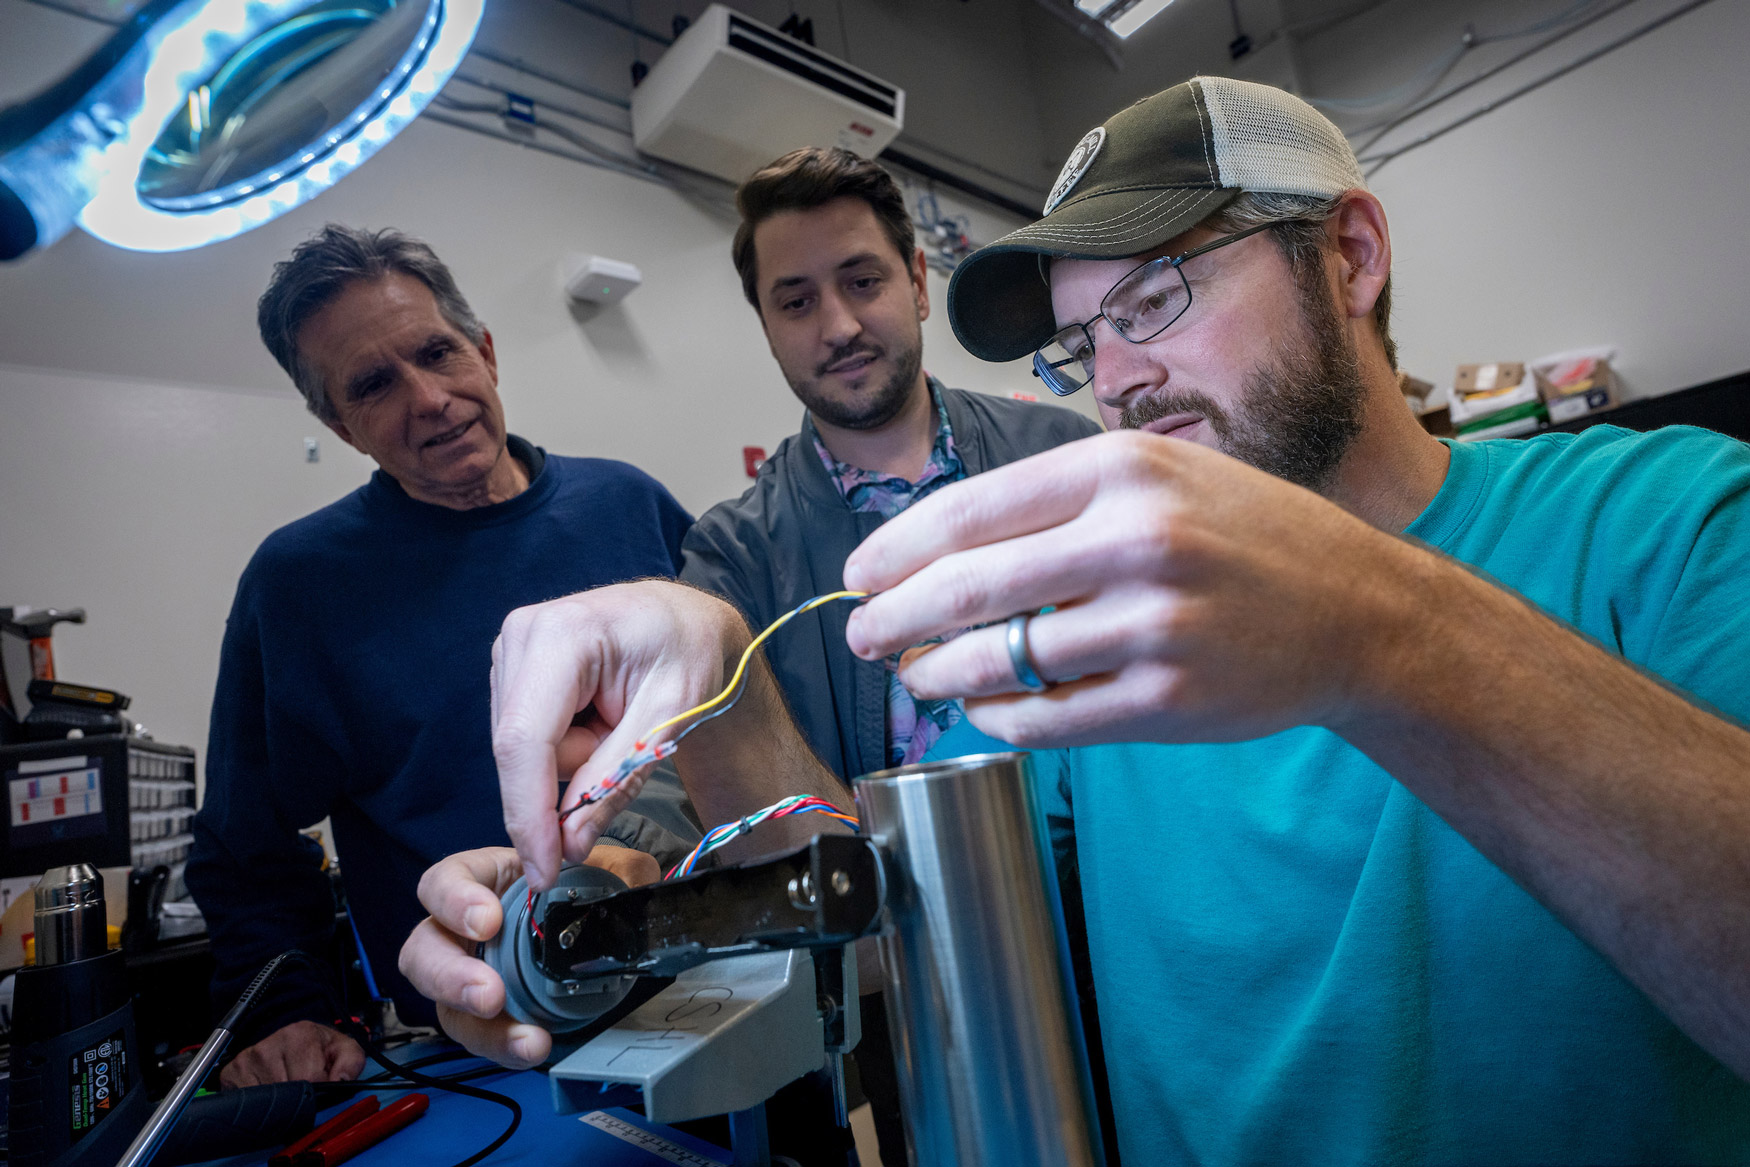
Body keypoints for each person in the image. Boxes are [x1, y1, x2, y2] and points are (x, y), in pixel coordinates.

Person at [402, 77, 1750, 1164]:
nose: (1120, 381)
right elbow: (899, 919)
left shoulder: (1668, 515)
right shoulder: (1079, 636)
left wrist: (1374, 631)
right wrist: (669, 783)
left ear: (1346, 255)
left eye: (1155, 296)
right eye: (1080, 342)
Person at [186, 225, 697, 1090]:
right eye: (375, 384)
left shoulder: (630, 503)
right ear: (337, 425)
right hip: (485, 1052)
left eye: (437, 352)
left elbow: (743, 711)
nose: (428, 398)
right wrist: (288, 1010)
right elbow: (246, 850)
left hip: (705, 990)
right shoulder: (299, 586)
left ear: (486, 353)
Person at [676, 146, 1098, 1160]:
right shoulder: (732, 551)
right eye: (796, 301)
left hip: (1108, 929)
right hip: (899, 969)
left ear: (915, 278)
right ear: (768, 327)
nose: (838, 325)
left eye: (862, 280)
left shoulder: (1061, 455)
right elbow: (683, 757)